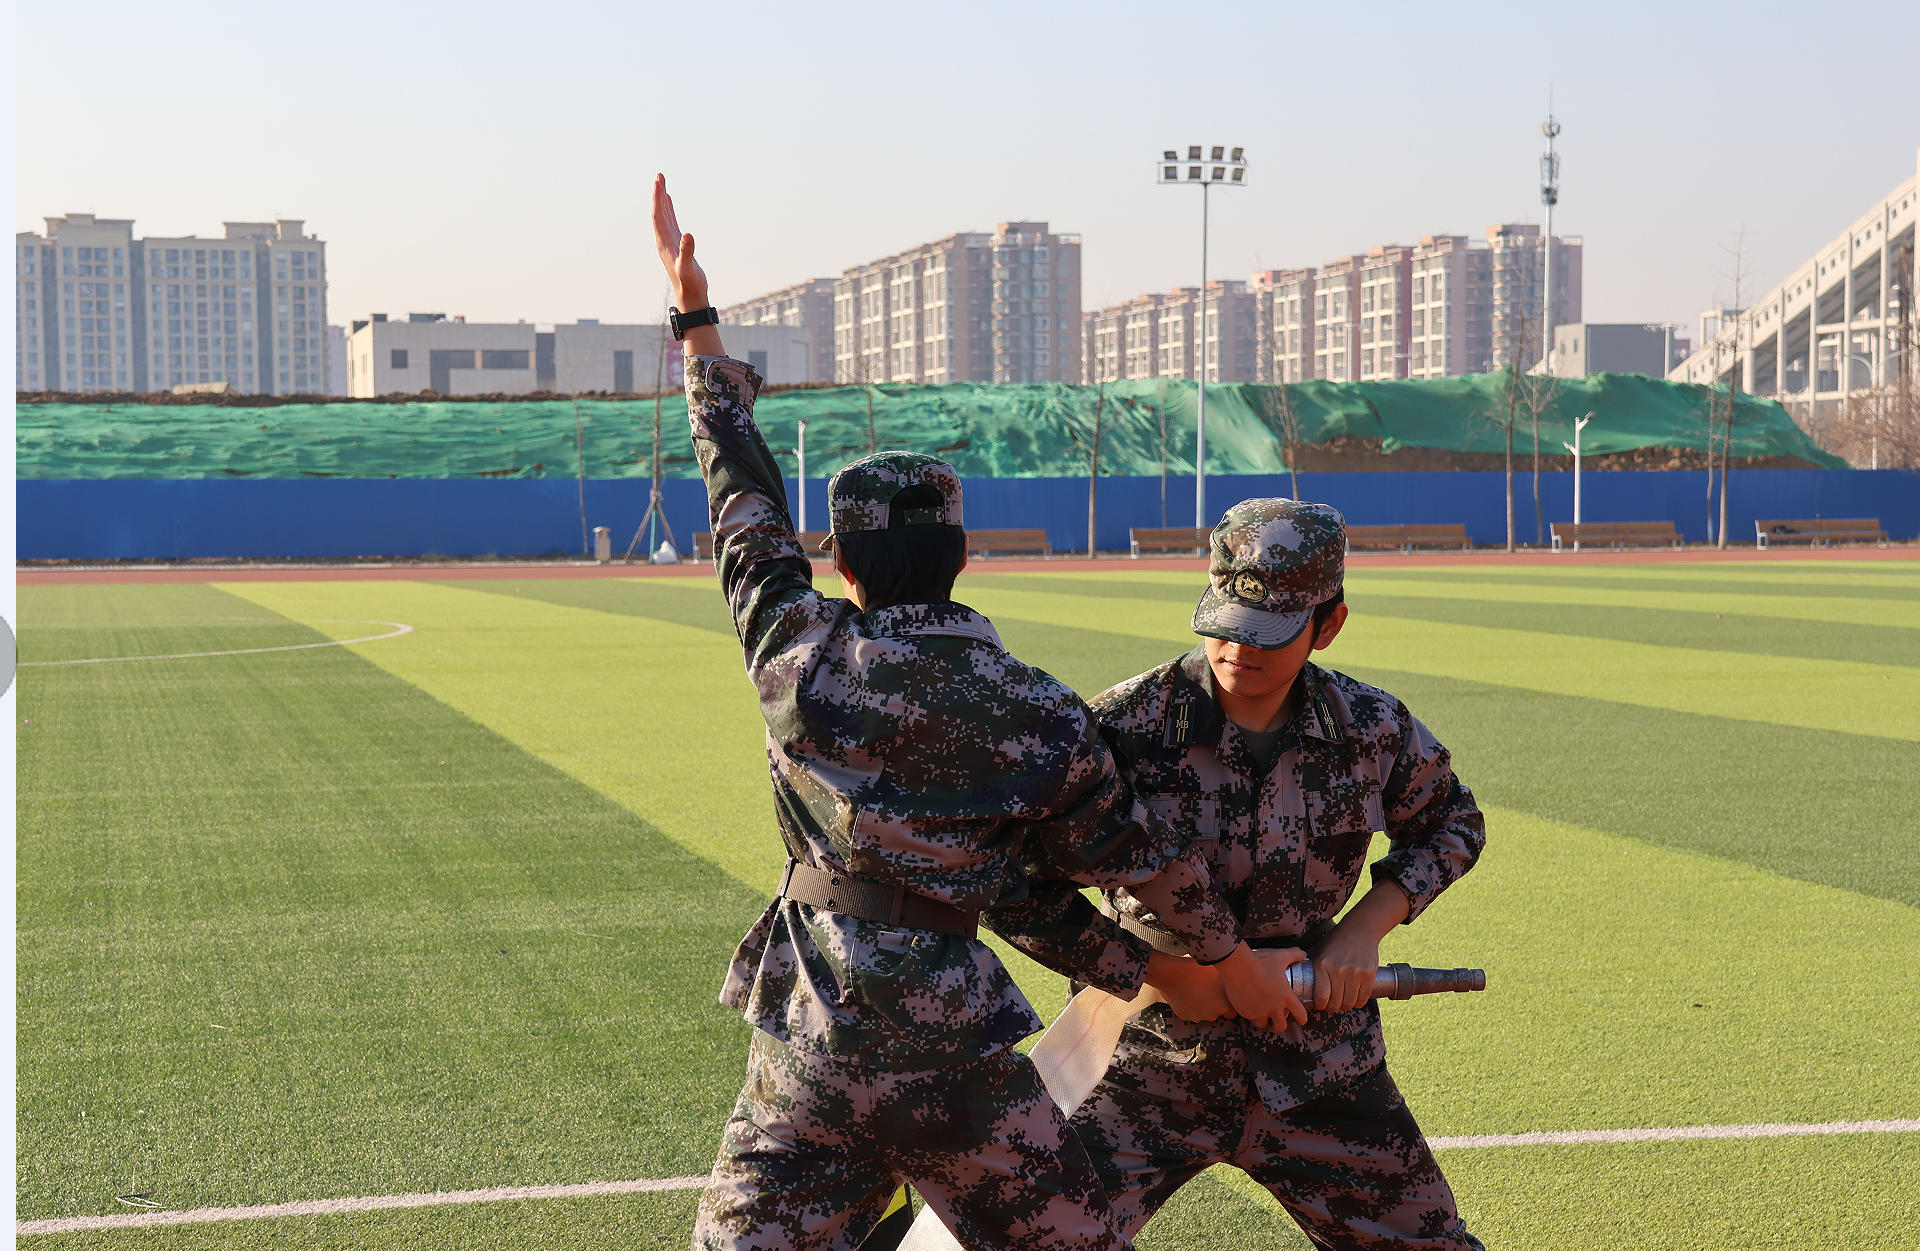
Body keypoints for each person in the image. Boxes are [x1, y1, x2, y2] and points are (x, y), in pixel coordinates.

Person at [650, 177, 1299, 1251]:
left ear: (845, 566)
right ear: (961, 555)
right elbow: (1134, 865)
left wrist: (696, 322)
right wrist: (1217, 964)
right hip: (957, 1058)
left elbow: (742, 502)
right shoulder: (1035, 709)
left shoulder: (798, 654)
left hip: (812, 1047)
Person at [1026, 498, 1487, 1248]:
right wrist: (1176, 977)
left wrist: (1366, 929)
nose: (1238, 649)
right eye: (1225, 624)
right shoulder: (1123, 728)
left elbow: (1453, 821)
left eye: (1268, 632)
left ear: (1329, 625)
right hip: (1143, 1062)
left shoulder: (1370, 727)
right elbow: (1024, 882)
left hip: (1322, 1067)